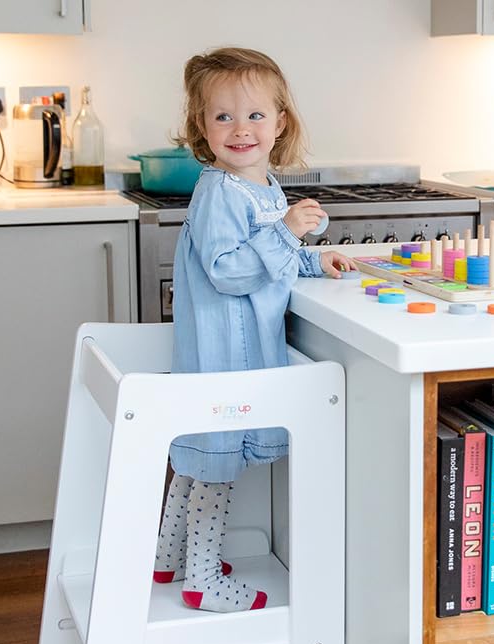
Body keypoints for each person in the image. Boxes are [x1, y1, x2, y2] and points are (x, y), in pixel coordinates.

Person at [152, 46, 356, 613]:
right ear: (202, 126)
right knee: (213, 466)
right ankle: (203, 582)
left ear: (280, 123)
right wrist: (289, 234)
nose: (241, 129)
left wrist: (315, 260)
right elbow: (228, 272)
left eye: (255, 116)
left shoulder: (261, 187)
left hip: (235, 351)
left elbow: (270, 260)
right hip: (222, 355)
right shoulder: (219, 191)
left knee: (196, 460)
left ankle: (169, 558)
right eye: (223, 117)